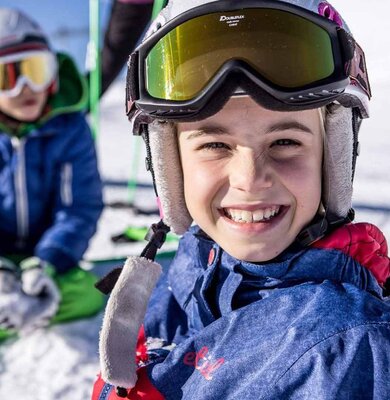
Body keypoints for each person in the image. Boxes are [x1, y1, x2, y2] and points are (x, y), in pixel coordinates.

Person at [92, 0, 390, 398]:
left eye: (285, 141)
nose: (249, 179)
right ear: (169, 165)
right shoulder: (183, 279)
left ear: (333, 156)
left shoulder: (343, 353)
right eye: (215, 144)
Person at [0, 8, 105, 340]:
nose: (25, 88)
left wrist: (48, 261)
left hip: (47, 261)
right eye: (6, 77)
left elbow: (78, 207)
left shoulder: (71, 129)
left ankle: (28, 307)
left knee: (89, 292)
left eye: (36, 70)